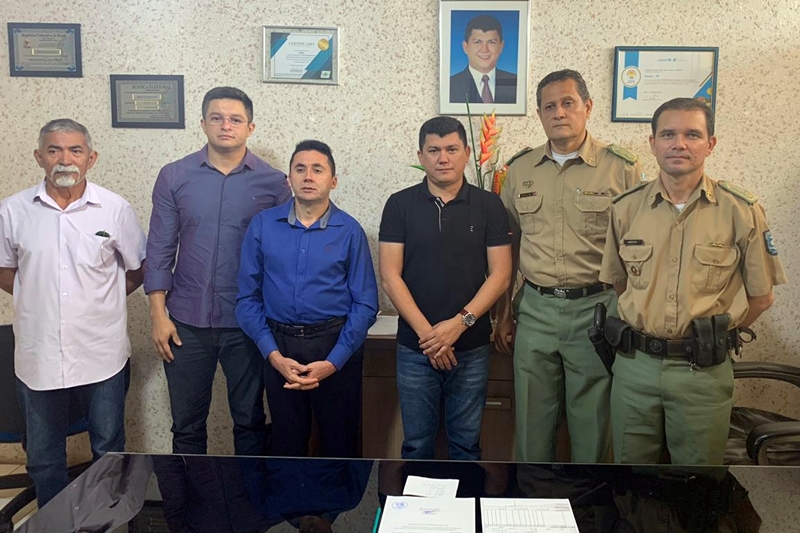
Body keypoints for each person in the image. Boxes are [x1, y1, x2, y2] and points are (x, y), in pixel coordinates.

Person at [600, 97, 786, 465]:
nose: (679, 144)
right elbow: (620, 284)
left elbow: (762, 297)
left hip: (702, 371)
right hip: (636, 367)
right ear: (652, 143)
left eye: (692, 135)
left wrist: (717, 335)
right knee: (631, 480)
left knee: (699, 482)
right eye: (668, 134)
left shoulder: (741, 211)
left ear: (710, 144)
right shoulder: (625, 208)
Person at [496, 69, 644, 463]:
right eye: (549, 106)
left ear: (587, 107)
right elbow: (509, 246)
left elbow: (639, 248)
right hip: (536, 310)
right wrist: (505, 313)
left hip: (596, 310)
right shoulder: (520, 170)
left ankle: (589, 498)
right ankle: (532, 496)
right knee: (531, 422)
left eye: (568, 103)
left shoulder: (621, 168)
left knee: (594, 422)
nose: (559, 113)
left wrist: (631, 312)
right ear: (539, 114)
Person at [0, 119, 146, 506]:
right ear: (39, 157)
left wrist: (99, 300)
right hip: (39, 353)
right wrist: (40, 298)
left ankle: (104, 519)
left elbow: (137, 270)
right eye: (54, 150)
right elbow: (4, 269)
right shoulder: (13, 211)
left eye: (75, 150)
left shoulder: (114, 209)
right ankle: (54, 520)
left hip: (102, 351)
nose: (65, 159)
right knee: (44, 455)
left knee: (108, 446)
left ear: (91, 158)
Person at [145, 87, 292, 455]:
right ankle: (191, 494)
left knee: (250, 421)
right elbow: (160, 249)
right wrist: (158, 315)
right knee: (187, 427)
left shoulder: (274, 183)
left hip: (247, 323)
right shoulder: (174, 176)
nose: (226, 125)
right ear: (203, 124)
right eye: (217, 118)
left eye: (235, 119)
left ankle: (249, 491)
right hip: (185, 324)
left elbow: (282, 256)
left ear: (250, 127)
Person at [379, 116, 512, 460]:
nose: (443, 158)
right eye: (434, 150)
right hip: (416, 347)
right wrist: (431, 337)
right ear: (420, 156)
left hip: (471, 346)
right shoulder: (399, 204)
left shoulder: (489, 205)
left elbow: (501, 275)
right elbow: (390, 276)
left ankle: (465, 498)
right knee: (416, 445)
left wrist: (458, 325)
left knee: (466, 446)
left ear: (467, 152)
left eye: (451, 149)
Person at [237, 140, 378, 457]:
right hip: (279, 346)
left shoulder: (350, 231)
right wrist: (273, 356)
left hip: (335, 345)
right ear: (289, 178)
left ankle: (336, 494)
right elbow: (247, 298)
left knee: (340, 444)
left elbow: (366, 304)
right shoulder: (263, 226)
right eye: (300, 169)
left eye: (318, 169)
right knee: (286, 444)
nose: (308, 176)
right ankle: (291, 492)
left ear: (333, 180)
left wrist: (333, 362)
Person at [449, 14, 517, 104]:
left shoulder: (516, 83)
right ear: (465, 47)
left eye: (491, 42)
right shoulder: (450, 85)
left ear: (501, 46)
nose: (484, 49)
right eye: (477, 42)